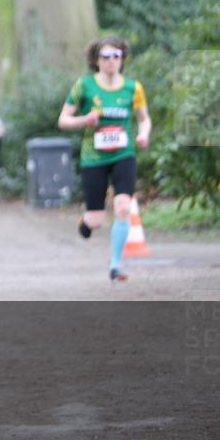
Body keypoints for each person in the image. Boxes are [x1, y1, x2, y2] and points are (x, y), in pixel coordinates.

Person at [57, 37, 151, 283]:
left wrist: (143, 134)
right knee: (96, 220)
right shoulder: (84, 86)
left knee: (123, 207)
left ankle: (116, 266)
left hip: (123, 155)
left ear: (123, 60)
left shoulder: (133, 88)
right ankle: (87, 220)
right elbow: (63, 120)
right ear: (96, 61)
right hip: (94, 157)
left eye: (117, 56)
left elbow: (143, 118)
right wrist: (84, 120)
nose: (112, 61)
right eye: (106, 56)